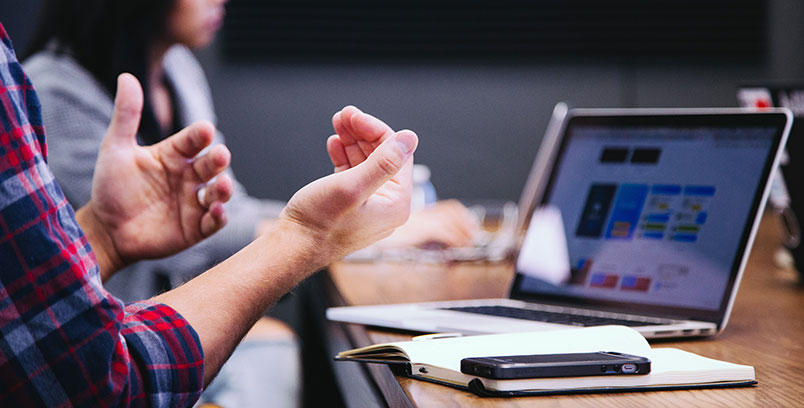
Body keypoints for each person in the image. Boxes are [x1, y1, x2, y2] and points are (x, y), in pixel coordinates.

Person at [0, 20, 419, 406]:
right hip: (133, 348)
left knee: (275, 354)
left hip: (153, 332)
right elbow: (95, 384)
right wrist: (312, 234)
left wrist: (106, 235)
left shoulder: (178, 68)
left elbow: (226, 210)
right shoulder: (54, 88)